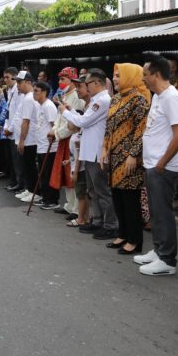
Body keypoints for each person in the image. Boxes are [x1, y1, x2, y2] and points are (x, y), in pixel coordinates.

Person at [134, 56, 178, 276]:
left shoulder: (171, 97)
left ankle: (167, 260)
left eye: (145, 75)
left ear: (156, 74)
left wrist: (161, 163)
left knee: (163, 212)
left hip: (162, 167)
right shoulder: (158, 96)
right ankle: (158, 249)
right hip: (153, 164)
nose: (143, 79)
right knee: (155, 211)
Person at [102, 63, 150, 256]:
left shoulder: (138, 100)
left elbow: (142, 129)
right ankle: (122, 234)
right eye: (114, 75)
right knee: (117, 197)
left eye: (119, 76)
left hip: (129, 158)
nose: (115, 79)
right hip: (114, 157)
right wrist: (105, 149)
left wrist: (133, 154)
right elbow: (108, 127)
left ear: (131, 77)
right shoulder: (115, 99)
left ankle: (134, 240)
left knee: (130, 200)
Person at [61, 70, 116, 239]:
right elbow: (84, 121)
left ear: (97, 83)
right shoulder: (95, 101)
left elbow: (83, 122)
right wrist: (71, 113)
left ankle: (110, 225)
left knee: (102, 192)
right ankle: (98, 221)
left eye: (88, 84)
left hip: (97, 152)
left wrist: (64, 111)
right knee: (94, 191)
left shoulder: (103, 100)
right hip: (90, 151)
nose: (86, 87)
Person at [48, 67, 84, 216]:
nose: (60, 82)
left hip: (70, 138)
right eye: (60, 79)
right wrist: (54, 130)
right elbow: (59, 117)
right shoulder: (63, 95)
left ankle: (76, 208)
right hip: (62, 138)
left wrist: (57, 133)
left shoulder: (76, 96)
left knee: (72, 173)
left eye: (63, 79)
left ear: (72, 80)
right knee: (64, 173)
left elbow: (72, 123)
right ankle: (69, 205)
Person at [32, 81, 58, 209]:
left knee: (48, 174)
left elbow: (55, 125)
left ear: (44, 92)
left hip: (50, 147)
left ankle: (52, 200)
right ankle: (45, 198)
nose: (34, 93)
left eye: (36, 91)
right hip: (41, 145)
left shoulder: (49, 106)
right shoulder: (40, 105)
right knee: (42, 174)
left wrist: (52, 135)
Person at [15, 71, 41, 203]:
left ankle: (35, 192)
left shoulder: (29, 98)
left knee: (30, 166)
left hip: (30, 139)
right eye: (17, 82)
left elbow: (26, 121)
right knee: (27, 165)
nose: (17, 85)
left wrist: (21, 140)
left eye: (20, 82)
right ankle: (29, 189)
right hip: (28, 138)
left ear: (29, 82)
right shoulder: (27, 97)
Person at [2, 67, 24, 192]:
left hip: (16, 130)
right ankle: (13, 181)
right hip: (10, 128)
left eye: (8, 77)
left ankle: (20, 183)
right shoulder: (9, 90)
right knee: (11, 158)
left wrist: (9, 128)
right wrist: (6, 126)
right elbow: (9, 111)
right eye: (4, 77)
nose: (5, 80)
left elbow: (18, 114)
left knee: (18, 159)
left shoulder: (18, 91)